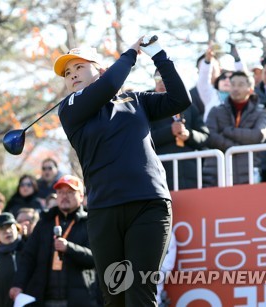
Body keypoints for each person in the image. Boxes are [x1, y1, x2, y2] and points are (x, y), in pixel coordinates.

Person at [52, 35, 191, 306]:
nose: (72, 75)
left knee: (140, 293)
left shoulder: (136, 100)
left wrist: (158, 55)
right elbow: (111, 84)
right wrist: (130, 53)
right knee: (115, 297)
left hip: (149, 204)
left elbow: (179, 99)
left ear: (100, 70)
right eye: (68, 73)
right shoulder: (69, 108)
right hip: (105, 209)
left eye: (79, 67)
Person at [9, 175, 97, 306]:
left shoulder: (90, 223)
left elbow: (96, 259)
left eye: (70, 192)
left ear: (81, 196)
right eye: (60, 192)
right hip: (45, 299)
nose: (64, 196)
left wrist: (69, 248)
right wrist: (18, 284)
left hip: (79, 300)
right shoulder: (44, 222)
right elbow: (28, 257)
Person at [203, 71, 266, 186]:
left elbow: (258, 135)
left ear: (250, 88)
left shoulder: (260, 112)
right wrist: (236, 148)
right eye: (233, 84)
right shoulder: (216, 111)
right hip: (216, 174)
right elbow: (210, 136)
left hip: (249, 173)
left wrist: (228, 131)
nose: (235, 88)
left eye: (240, 84)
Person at [150, 69, 210, 190]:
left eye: (165, 79)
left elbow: (205, 136)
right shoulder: (146, 105)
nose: (161, 83)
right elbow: (141, 140)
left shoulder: (188, 105)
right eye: (157, 79)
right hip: (160, 176)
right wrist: (169, 132)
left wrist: (189, 135)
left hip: (191, 175)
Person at [197, 43, 246, 122]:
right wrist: (207, 61)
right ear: (217, 82)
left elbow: (244, 79)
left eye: (231, 78)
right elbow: (203, 79)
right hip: (211, 132)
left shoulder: (240, 97)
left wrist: (237, 59)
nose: (227, 80)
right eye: (223, 77)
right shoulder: (210, 95)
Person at [0, 212, 25, 307]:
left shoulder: (28, 250)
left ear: (17, 228)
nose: (7, 231)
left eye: (10, 227)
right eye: (2, 228)